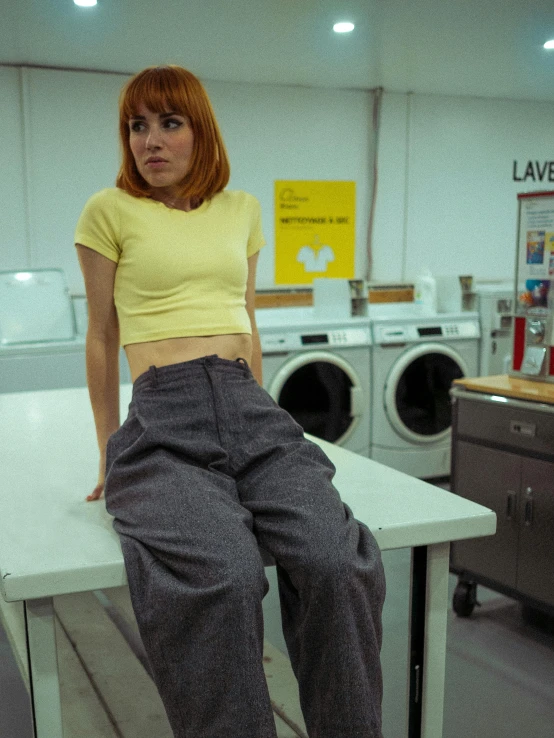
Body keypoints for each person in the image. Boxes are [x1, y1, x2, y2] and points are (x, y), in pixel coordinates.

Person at [75, 64, 385, 738]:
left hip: (249, 407)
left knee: (337, 559)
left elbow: (247, 320)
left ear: (200, 132)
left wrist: (260, 426)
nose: (149, 141)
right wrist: (107, 452)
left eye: (169, 122)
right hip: (163, 409)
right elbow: (101, 337)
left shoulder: (240, 210)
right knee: (222, 575)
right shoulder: (108, 211)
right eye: (136, 126)